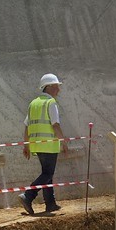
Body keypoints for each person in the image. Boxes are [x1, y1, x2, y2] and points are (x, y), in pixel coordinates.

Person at [21, 73, 68, 214]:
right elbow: (55, 125)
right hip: (49, 145)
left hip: (37, 145)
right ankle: (28, 196)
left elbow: (27, 126)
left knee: (46, 174)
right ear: (48, 87)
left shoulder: (33, 103)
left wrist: (27, 145)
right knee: (48, 173)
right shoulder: (50, 103)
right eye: (56, 86)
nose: (58, 90)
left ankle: (50, 204)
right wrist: (63, 142)